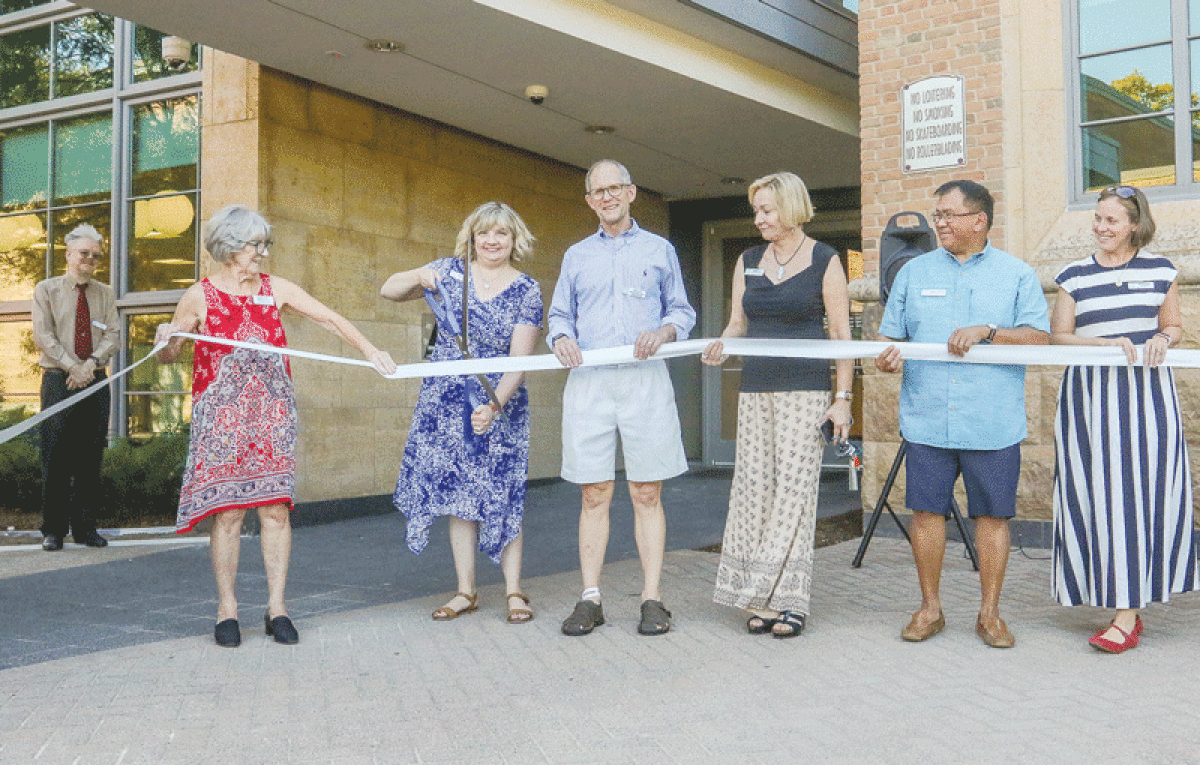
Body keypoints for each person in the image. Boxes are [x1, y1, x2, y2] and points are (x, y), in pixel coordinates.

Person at [154, 205, 395, 648]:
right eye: (254, 245)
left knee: (275, 511)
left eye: (264, 244)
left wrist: (372, 351)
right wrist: (164, 342)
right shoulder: (199, 296)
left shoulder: (275, 288)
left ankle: (277, 607)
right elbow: (172, 353)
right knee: (227, 514)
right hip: (221, 421)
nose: (262, 253)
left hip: (272, 415)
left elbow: (330, 318)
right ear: (228, 247)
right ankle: (227, 608)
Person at [875, 179, 1049, 648]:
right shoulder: (913, 272)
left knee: (992, 519)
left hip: (991, 423)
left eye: (949, 214)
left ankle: (989, 615)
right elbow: (888, 339)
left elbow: (1040, 338)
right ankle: (930, 608)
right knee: (927, 514)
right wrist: (887, 357)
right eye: (937, 214)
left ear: (979, 220)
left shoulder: (1016, 274)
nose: (940, 223)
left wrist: (990, 331)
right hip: (927, 417)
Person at [701, 172, 852, 638]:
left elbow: (842, 336)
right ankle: (760, 596)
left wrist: (841, 401)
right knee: (754, 490)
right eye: (756, 210)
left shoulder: (825, 259)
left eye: (766, 209)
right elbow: (737, 324)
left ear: (791, 208)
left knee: (794, 492)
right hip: (755, 390)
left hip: (805, 392)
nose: (758, 218)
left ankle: (789, 600)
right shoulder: (747, 259)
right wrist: (721, 344)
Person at [549, 159, 696, 637]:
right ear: (590, 201)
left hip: (644, 378)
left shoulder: (660, 250)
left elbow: (681, 310)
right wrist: (561, 339)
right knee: (594, 493)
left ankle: (652, 599)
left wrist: (664, 330)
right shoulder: (576, 256)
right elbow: (559, 317)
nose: (608, 197)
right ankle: (591, 598)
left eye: (616, 188)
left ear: (631, 193)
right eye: (599, 191)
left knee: (646, 491)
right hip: (590, 380)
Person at [1050, 185, 1198, 653]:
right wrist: (1105, 346)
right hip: (1089, 401)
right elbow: (1059, 337)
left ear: (1134, 224)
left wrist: (1165, 340)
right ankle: (1118, 602)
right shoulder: (1073, 275)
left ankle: (1127, 613)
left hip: (1147, 400)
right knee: (1096, 497)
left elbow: (1173, 326)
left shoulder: (1161, 270)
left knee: (1138, 498)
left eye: (1111, 220)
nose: (1101, 227)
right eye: (1097, 218)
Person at [383, 201, 543, 624]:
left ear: (515, 239)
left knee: (503, 490)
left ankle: (514, 591)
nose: (492, 241)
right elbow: (388, 290)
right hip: (445, 401)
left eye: (502, 234)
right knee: (457, 494)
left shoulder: (527, 288)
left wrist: (493, 407)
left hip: (498, 400)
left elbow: (519, 362)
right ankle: (465, 591)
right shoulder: (449, 272)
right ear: (471, 238)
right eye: (484, 233)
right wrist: (417, 276)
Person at [31, 224, 118, 552]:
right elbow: (43, 336)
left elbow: (114, 335)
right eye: (84, 253)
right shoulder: (46, 290)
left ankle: (86, 529)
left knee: (90, 456)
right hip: (59, 380)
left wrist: (90, 364)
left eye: (96, 255)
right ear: (68, 255)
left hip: (95, 380)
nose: (91, 259)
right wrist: (73, 367)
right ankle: (53, 530)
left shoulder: (105, 294)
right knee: (55, 457)